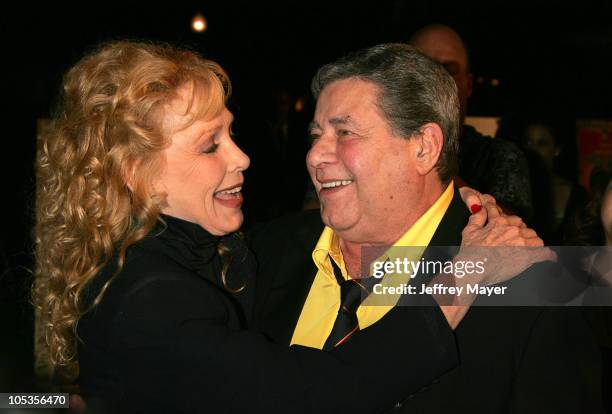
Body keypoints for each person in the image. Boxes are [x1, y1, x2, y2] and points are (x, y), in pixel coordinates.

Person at [32, 41, 541, 414]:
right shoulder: (150, 294)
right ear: (133, 171)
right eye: (210, 146)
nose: (244, 158)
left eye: (344, 132)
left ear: (424, 148)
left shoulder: (234, 255)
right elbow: (314, 393)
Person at [254, 44, 604, 413]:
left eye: (344, 132)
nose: (314, 155)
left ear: (424, 147)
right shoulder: (266, 251)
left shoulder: (531, 295)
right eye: (315, 135)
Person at [409, 24, 533, 220]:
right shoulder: (376, 149)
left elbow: (513, 238)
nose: (435, 83)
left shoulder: (497, 157)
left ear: (468, 85)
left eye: (449, 71)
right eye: (422, 71)